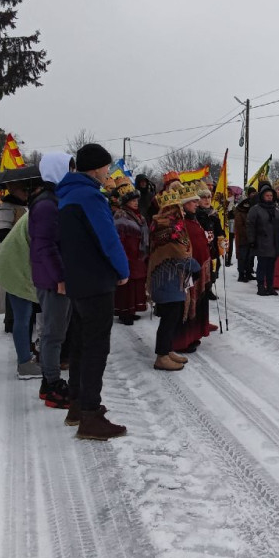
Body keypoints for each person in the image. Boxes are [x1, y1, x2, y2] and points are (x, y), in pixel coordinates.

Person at [57, 143, 130, 440]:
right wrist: (122, 270)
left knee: (79, 343)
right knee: (96, 348)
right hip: (96, 281)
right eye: (106, 167)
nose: (108, 172)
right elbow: (108, 238)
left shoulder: (66, 195)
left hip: (77, 280)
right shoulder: (90, 196)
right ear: (96, 167)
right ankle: (90, 413)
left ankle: (77, 405)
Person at [29, 153, 75, 407]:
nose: (70, 172)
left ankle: (51, 379)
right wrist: (59, 277)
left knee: (58, 331)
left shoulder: (54, 199)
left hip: (57, 275)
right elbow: (45, 246)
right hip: (52, 279)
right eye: (67, 168)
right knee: (53, 333)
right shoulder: (47, 204)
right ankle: (51, 383)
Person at [0, 206, 42, 379]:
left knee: (23, 316)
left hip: (13, 262)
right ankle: (24, 364)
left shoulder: (39, 209)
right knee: (23, 317)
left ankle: (26, 358)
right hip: (15, 266)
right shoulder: (45, 212)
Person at [148, 188, 200, 371]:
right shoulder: (168, 226)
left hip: (171, 277)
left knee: (173, 315)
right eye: (180, 207)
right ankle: (161, 356)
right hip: (167, 277)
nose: (183, 210)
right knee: (169, 317)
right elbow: (179, 252)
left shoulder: (170, 224)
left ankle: (167, 349)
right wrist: (195, 267)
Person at [172, 183, 212, 353]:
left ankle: (194, 334)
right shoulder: (179, 223)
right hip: (187, 270)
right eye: (193, 202)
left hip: (199, 270)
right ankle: (183, 340)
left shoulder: (193, 219)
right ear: (183, 204)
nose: (197, 204)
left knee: (199, 302)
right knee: (187, 305)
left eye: (197, 201)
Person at [110, 177, 149, 325]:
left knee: (136, 284)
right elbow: (118, 238)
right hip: (128, 253)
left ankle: (132, 311)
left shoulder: (139, 216)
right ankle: (124, 312)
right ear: (126, 202)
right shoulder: (121, 215)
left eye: (136, 200)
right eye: (133, 200)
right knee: (127, 286)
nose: (136, 202)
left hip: (138, 254)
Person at [0, 183, 29, 327]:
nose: (26, 193)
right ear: (13, 190)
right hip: (11, 250)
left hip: (23, 249)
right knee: (10, 286)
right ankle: (11, 319)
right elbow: (3, 232)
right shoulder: (6, 207)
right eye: (23, 189)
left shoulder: (26, 205)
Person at [247, 181, 279, 296]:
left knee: (271, 266)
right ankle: (260, 287)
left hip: (275, 243)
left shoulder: (277, 209)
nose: (269, 198)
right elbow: (250, 225)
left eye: (271, 196)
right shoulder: (256, 209)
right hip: (262, 242)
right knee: (262, 265)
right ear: (262, 196)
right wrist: (252, 240)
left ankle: (270, 286)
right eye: (267, 196)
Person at [233, 187, 256, 281]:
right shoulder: (242, 207)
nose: (254, 195)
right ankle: (241, 274)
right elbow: (239, 224)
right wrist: (247, 234)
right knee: (243, 256)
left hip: (251, 237)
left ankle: (249, 272)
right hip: (243, 237)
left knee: (250, 256)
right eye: (252, 193)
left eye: (255, 193)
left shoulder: (255, 204)